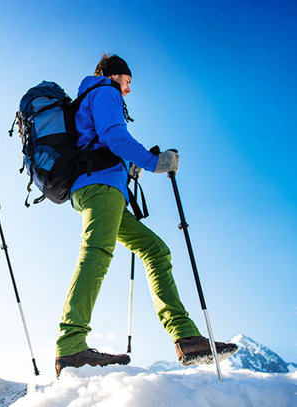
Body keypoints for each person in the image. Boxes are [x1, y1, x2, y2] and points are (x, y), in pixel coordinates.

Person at [54, 53, 237, 377]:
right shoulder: (105, 91)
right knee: (95, 254)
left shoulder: (92, 95)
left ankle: (186, 338)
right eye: (127, 82)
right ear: (115, 77)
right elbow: (114, 135)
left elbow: (102, 142)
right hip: (101, 190)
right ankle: (70, 346)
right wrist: (157, 163)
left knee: (156, 251)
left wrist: (131, 165)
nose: (128, 91)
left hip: (99, 189)